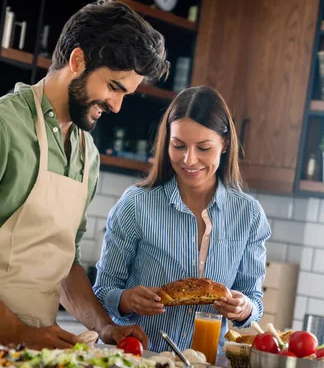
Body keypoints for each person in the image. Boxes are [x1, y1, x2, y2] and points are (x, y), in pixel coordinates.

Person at [0, 0, 169, 349]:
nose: (116, 105)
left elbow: (65, 263)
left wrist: (104, 326)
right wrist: (15, 332)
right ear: (78, 61)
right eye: (113, 87)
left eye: (126, 95)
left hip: (34, 355)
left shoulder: (86, 154)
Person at [93, 86, 271, 352]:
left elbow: (254, 299)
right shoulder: (136, 204)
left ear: (224, 145)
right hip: (140, 361)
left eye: (203, 147)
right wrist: (128, 299)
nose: (189, 159)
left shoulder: (249, 215)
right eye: (178, 146)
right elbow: (102, 291)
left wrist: (245, 308)